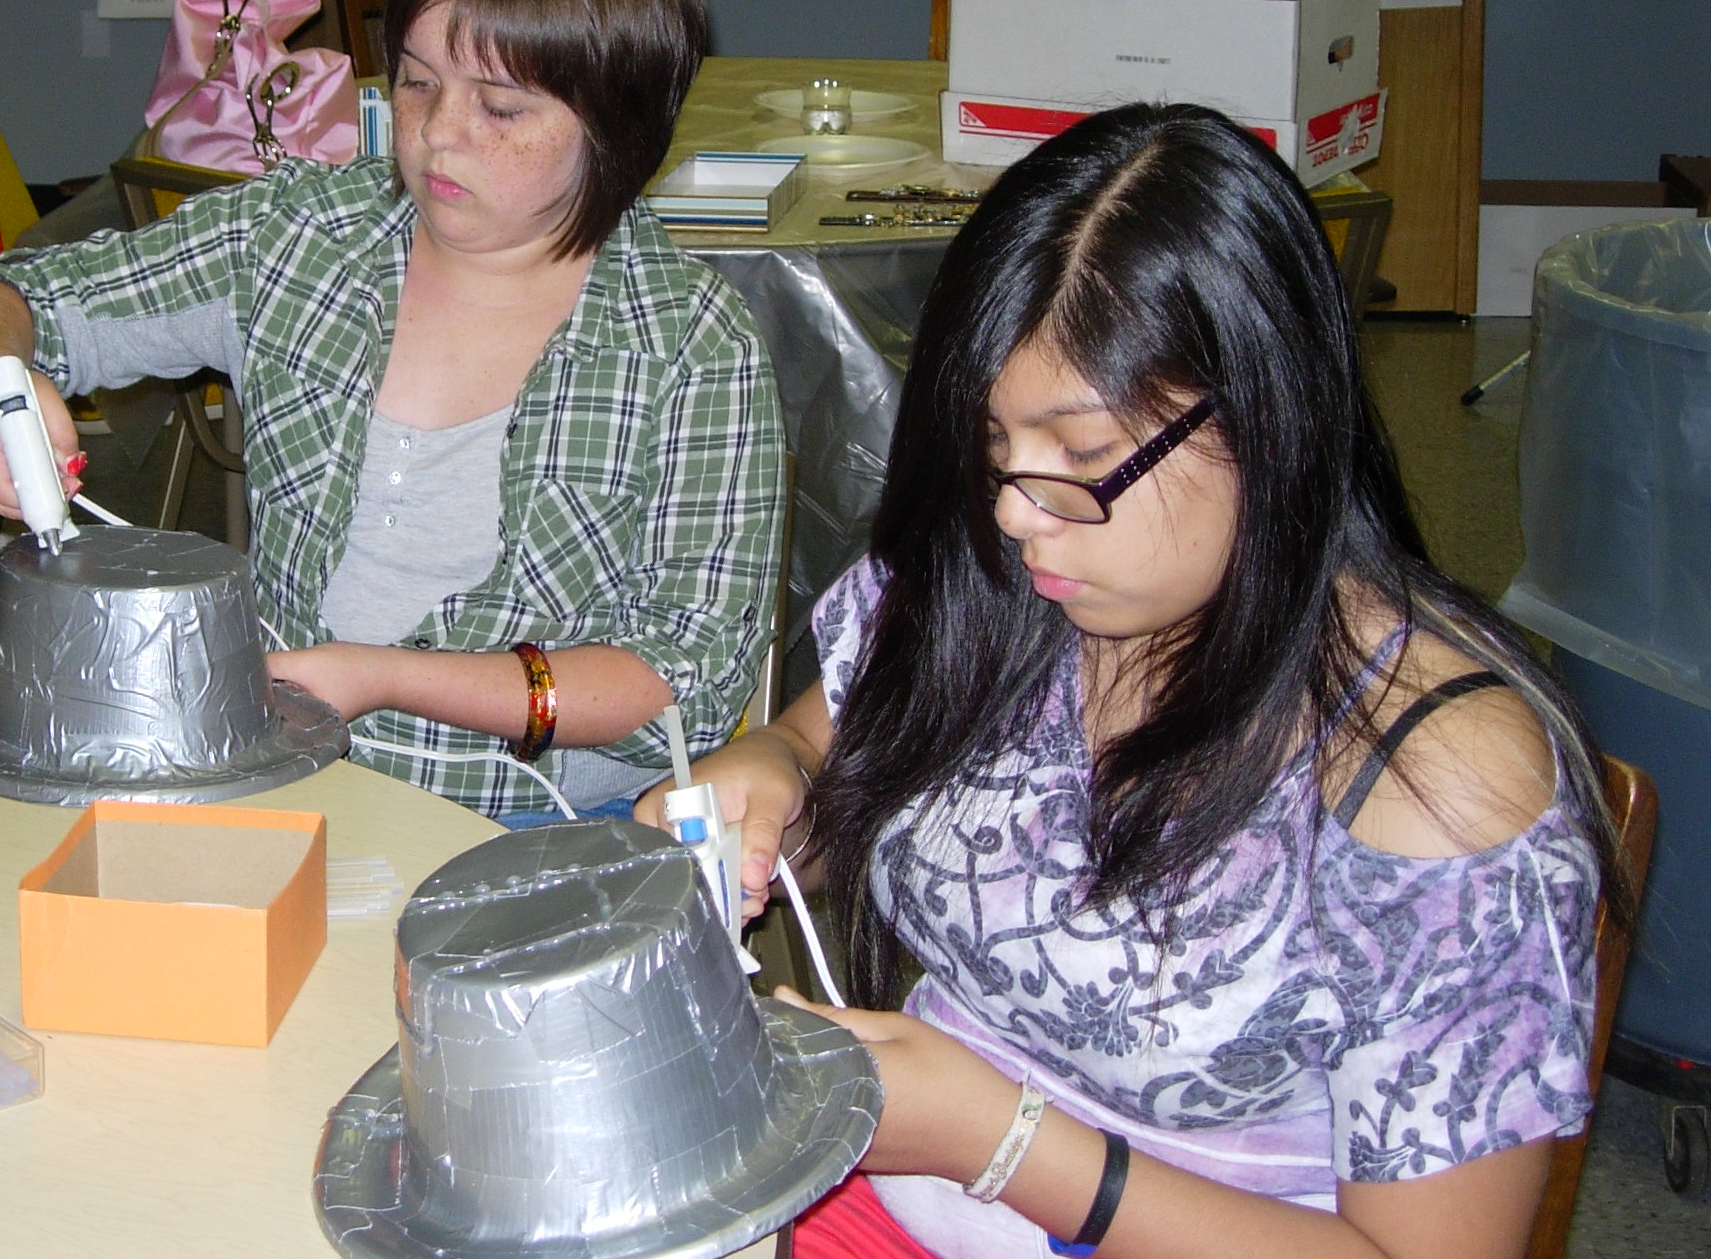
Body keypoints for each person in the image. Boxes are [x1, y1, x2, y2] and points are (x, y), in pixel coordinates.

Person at [641, 104, 1617, 1259]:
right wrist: (769, 775)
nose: (1012, 510)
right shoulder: (1014, 579)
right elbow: (824, 753)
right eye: (993, 444)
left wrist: (1000, 1142)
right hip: (901, 1196)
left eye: (1083, 458)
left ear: (1264, 413)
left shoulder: (1433, 785)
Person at [0, 0, 785, 822]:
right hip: (281, 770)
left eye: (500, 109)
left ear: (619, 123)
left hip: (530, 814)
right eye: (417, 83)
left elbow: (683, 678)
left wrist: (383, 678)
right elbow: (0, 298)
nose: (436, 137)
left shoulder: (690, 344)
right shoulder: (301, 239)